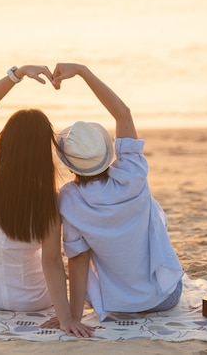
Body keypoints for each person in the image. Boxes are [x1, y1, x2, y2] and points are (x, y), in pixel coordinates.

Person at [47, 63, 184, 325]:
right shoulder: (132, 173)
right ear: (106, 151)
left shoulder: (69, 200)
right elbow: (123, 114)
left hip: (117, 305)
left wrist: (74, 317)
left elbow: (78, 260)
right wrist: (83, 71)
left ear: (70, 163)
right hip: (164, 297)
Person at [0, 65, 93, 338]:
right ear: (42, 152)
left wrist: (18, 73)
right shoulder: (47, 199)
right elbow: (51, 262)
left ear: (6, 142)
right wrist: (65, 317)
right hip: (31, 300)